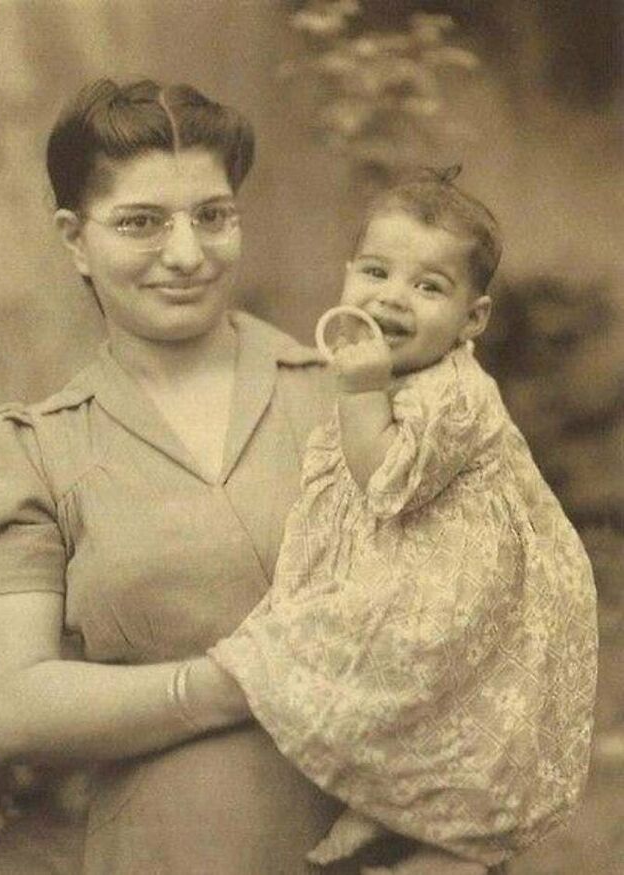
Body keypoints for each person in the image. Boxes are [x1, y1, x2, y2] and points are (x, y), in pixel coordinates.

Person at [0, 77, 403, 875]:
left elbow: (470, 610)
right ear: (75, 239)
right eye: (141, 222)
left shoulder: (349, 397)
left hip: (400, 846)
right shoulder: (30, 451)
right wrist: (227, 684)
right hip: (172, 851)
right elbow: (12, 709)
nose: (186, 253)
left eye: (213, 216)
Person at [210, 168, 599, 873]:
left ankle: (437, 839)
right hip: (428, 564)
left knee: (404, 676)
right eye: (377, 271)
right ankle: (387, 804)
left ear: (471, 319)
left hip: (468, 590)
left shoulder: (454, 393)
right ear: (347, 275)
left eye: (428, 286)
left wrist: (359, 390)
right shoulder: (401, 374)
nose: (393, 296)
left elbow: (385, 480)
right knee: (395, 683)